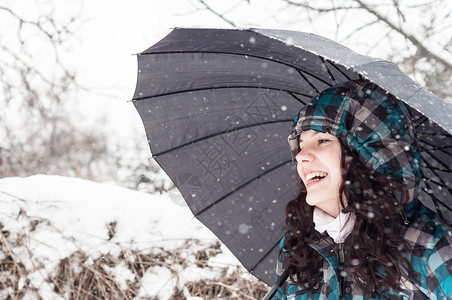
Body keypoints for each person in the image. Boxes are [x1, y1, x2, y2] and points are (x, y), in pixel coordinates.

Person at [273, 79, 452, 299]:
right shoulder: (296, 249)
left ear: (371, 157)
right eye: (300, 145)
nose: (300, 156)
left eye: (322, 141)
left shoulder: (428, 245)